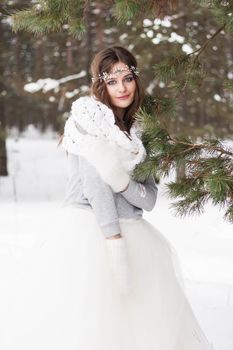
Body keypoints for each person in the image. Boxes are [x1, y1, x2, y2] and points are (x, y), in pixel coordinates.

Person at [60, 46, 213, 350]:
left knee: (142, 323)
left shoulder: (146, 131)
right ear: (100, 84)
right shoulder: (88, 117)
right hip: (93, 230)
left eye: (127, 78)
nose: (121, 88)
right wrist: (114, 242)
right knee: (96, 321)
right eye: (112, 81)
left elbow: (150, 200)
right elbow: (93, 184)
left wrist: (120, 183)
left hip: (135, 230)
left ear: (135, 79)